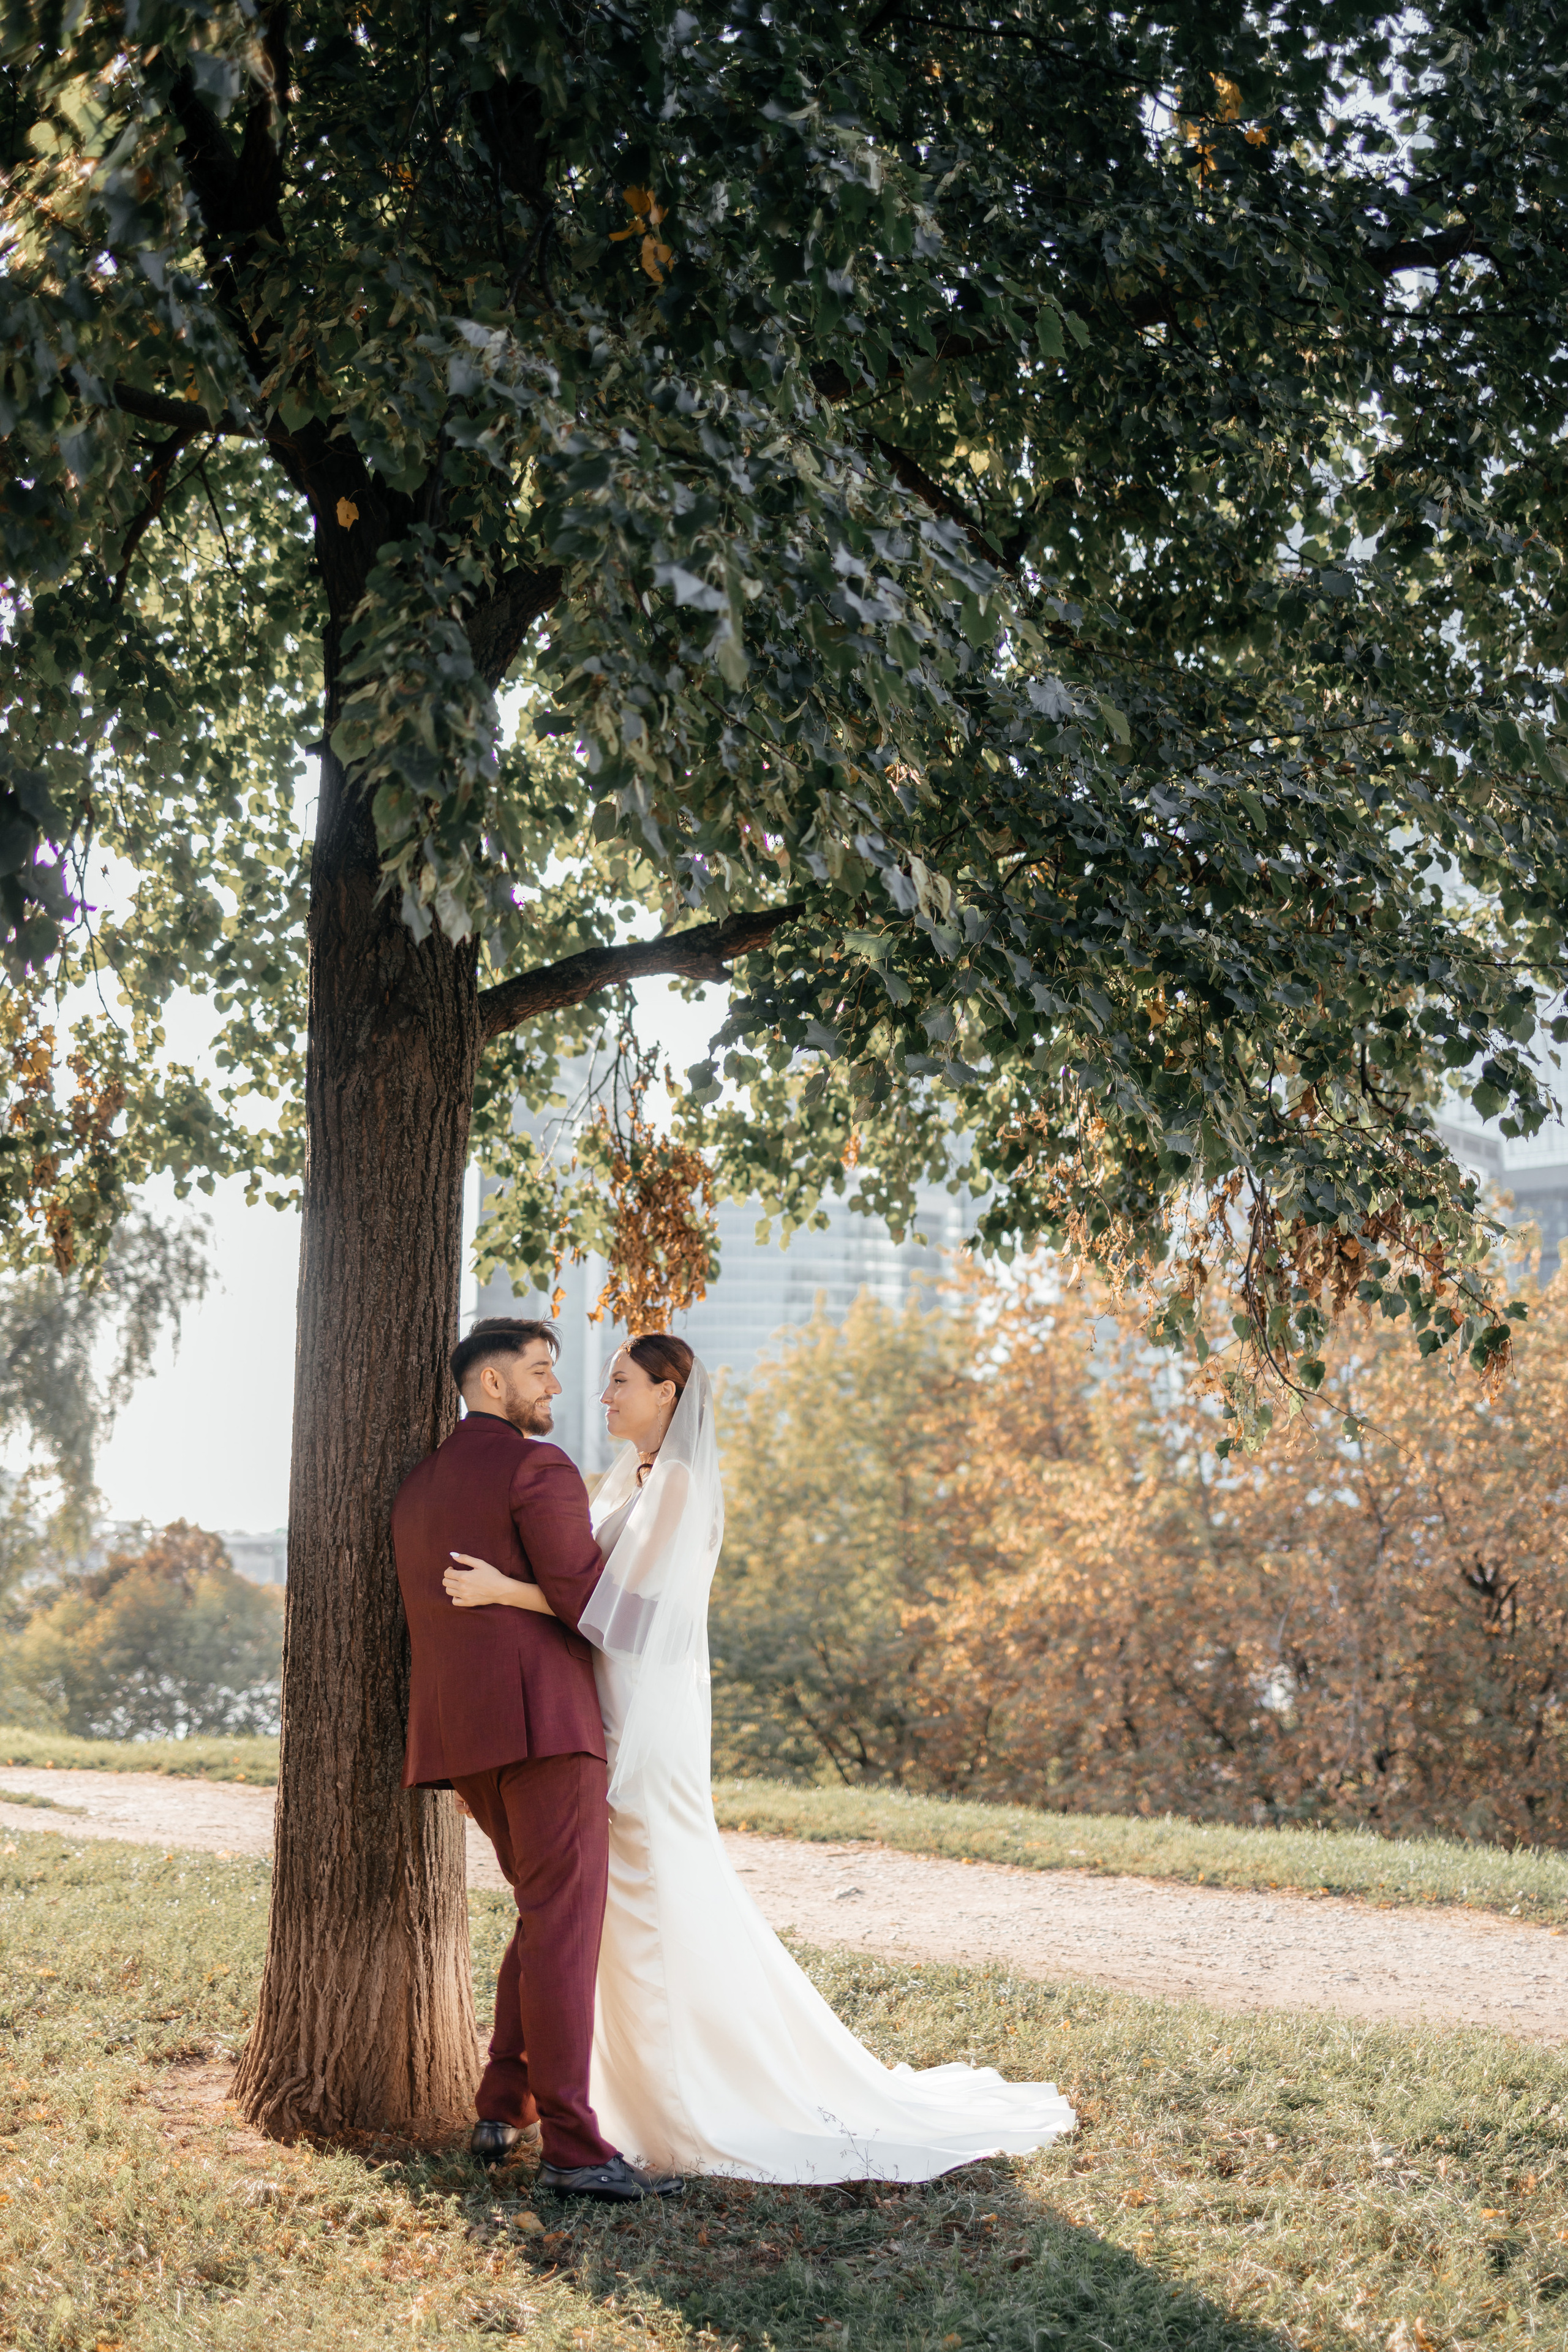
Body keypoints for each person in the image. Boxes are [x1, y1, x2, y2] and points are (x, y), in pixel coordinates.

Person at [443, 1331, 1077, 2184]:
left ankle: (680, 2098)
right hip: (595, 1706)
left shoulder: (677, 1487)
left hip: (638, 1718)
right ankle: (568, 2096)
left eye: (621, 1382)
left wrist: (503, 1591)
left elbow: (628, 1622)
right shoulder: (621, 1481)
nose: (604, 1398)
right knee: (578, 1910)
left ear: (669, 1394)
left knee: (645, 1898)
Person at [391, 1315, 682, 2204]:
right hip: (548, 1729)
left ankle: (500, 2103)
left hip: (462, 1740)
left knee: (540, 1912)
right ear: (490, 1384)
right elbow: (592, 1603)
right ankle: (574, 2147)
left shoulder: (417, 1489)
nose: (559, 1390)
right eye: (542, 1372)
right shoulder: (536, 1467)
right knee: (564, 1928)